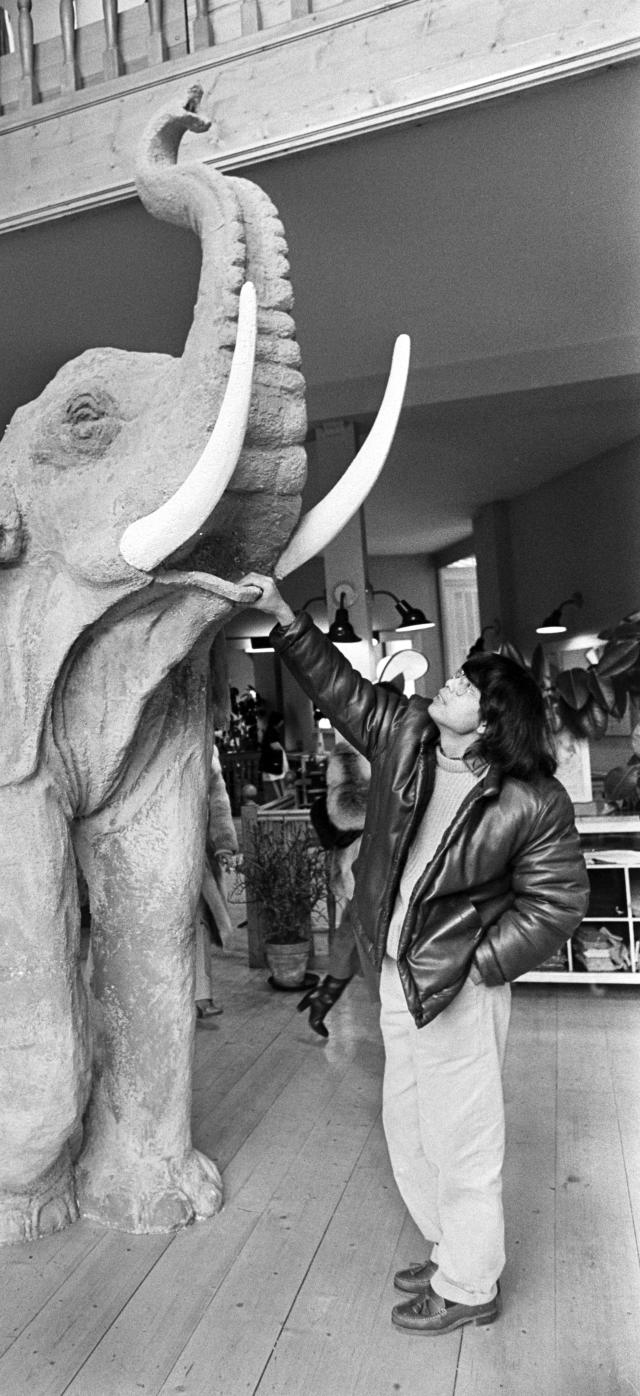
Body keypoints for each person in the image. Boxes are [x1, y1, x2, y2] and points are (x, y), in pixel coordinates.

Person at [239, 572, 589, 1336]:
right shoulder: (408, 738)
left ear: (491, 719)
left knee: (464, 1138)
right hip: (395, 973)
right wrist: (281, 619)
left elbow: (558, 903)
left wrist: (479, 964)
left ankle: (470, 1285)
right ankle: (448, 1248)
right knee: (407, 1122)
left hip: (457, 982)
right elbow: (340, 688)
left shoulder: (532, 800)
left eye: (467, 684)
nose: (451, 682)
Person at [299, 741, 369, 1036]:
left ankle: (324, 998)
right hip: (363, 865)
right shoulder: (350, 757)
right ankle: (323, 998)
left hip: (370, 864)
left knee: (352, 933)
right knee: (359, 934)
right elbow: (345, 816)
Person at [195, 747, 239, 1018]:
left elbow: (217, 797)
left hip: (192, 852)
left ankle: (201, 995)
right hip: (147, 850)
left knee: (197, 921)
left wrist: (223, 844)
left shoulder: (203, 746)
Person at [259, 711, 291, 800]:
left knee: (277, 783)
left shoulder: (270, 730)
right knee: (275, 785)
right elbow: (274, 746)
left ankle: (280, 799)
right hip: (272, 762)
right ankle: (280, 800)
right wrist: (282, 751)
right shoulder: (271, 732)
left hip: (272, 761)